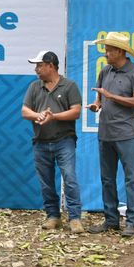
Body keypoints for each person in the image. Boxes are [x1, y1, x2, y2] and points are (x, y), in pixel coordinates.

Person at [86, 33, 134, 237]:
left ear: (120, 51)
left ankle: (132, 222)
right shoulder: (105, 71)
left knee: (131, 179)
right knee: (107, 179)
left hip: (126, 134)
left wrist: (113, 96)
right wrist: (96, 105)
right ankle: (111, 220)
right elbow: (100, 100)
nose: (106, 53)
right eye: (106, 49)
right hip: (106, 133)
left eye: (109, 49)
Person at [21, 50, 85, 234]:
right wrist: (38, 115)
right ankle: (53, 216)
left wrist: (54, 116)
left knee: (70, 178)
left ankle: (74, 218)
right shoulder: (34, 87)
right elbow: (25, 111)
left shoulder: (69, 85)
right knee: (46, 181)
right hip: (40, 141)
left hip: (64, 140)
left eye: (39, 65)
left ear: (50, 65)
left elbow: (76, 112)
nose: (36, 69)